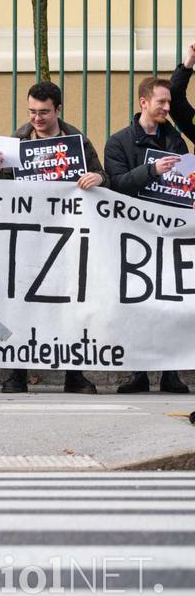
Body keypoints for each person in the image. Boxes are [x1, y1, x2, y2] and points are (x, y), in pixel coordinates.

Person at [0, 81, 106, 395]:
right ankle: (16, 373)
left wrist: (98, 177)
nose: (36, 118)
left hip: (68, 238)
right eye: (32, 112)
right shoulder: (16, 140)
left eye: (43, 112)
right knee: (20, 303)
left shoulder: (77, 141)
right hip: (26, 237)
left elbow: (103, 179)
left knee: (70, 303)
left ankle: (74, 374)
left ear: (58, 110)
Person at [103, 76, 190, 394]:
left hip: (168, 235)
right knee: (135, 304)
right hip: (132, 235)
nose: (167, 108)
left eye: (169, 102)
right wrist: (152, 171)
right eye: (161, 103)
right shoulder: (119, 142)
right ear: (143, 102)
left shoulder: (175, 141)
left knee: (170, 303)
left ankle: (170, 373)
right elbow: (116, 185)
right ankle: (136, 373)